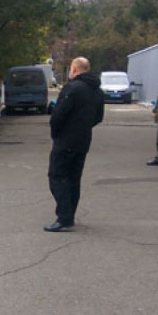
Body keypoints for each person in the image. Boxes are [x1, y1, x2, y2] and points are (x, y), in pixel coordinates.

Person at [44, 58, 104, 232]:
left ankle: (64, 217)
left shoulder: (72, 88)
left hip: (66, 139)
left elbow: (59, 114)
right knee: (73, 178)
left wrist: (56, 132)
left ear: (75, 69)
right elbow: (98, 117)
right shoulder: (97, 91)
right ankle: (69, 214)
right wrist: (83, 127)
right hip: (83, 140)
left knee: (57, 176)